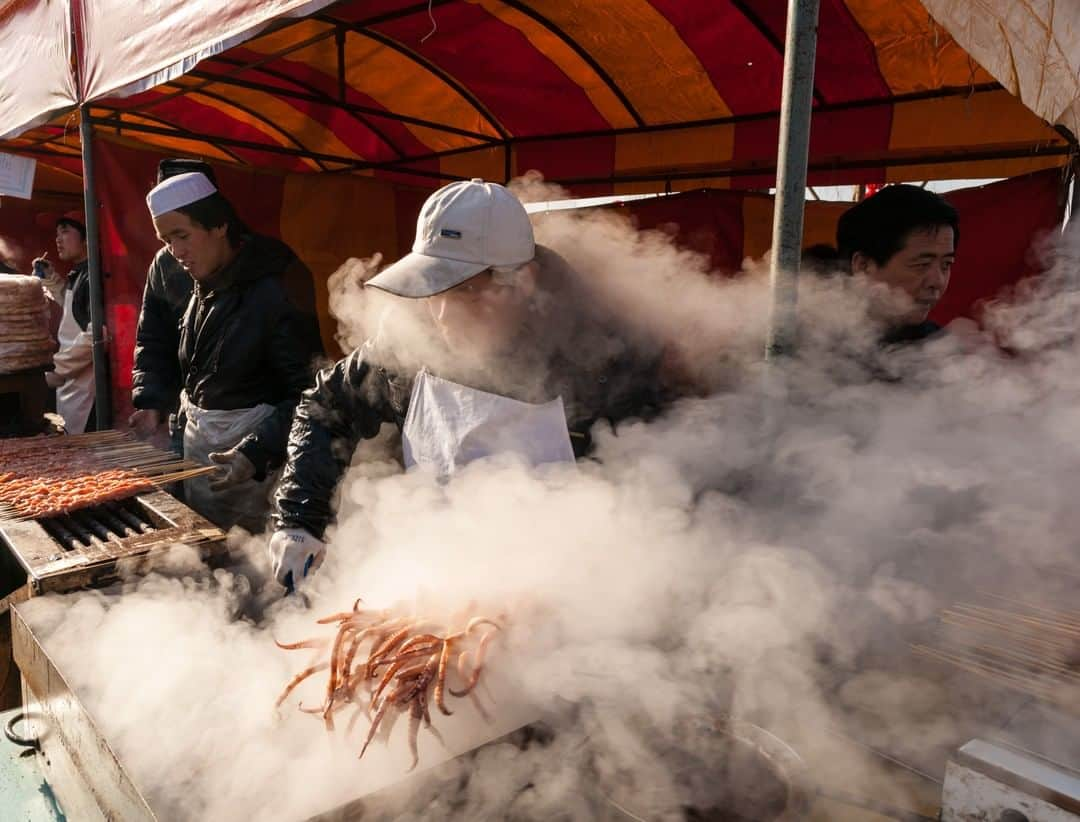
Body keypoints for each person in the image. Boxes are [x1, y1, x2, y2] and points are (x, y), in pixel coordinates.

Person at [267, 179, 670, 590]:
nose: (441, 314)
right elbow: (327, 403)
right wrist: (301, 518)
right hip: (437, 582)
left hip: (565, 599)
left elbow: (658, 508)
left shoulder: (605, 362)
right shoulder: (407, 341)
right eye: (431, 289)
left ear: (523, 282)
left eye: (463, 291)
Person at [142, 171, 323, 532]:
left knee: (254, 567)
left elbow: (309, 394)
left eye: (182, 236)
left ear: (220, 225)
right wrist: (154, 399)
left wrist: (255, 451)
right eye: (166, 240)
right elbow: (159, 342)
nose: (175, 252)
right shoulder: (201, 281)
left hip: (258, 470)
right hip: (204, 452)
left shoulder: (277, 285)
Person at [835, 184, 958, 344]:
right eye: (922, 264)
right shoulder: (813, 341)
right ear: (863, 266)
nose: (937, 282)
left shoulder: (940, 347)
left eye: (946, 264)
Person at [33, 211, 97, 434]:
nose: (58, 239)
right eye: (57, 233)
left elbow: (96, 335)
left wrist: (58, 369)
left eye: (66, 231)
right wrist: (50, 278)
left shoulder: (93, 276)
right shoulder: (79, 273)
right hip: (70, 381)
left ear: (87, 237)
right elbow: (73, 309)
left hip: (86, 387)